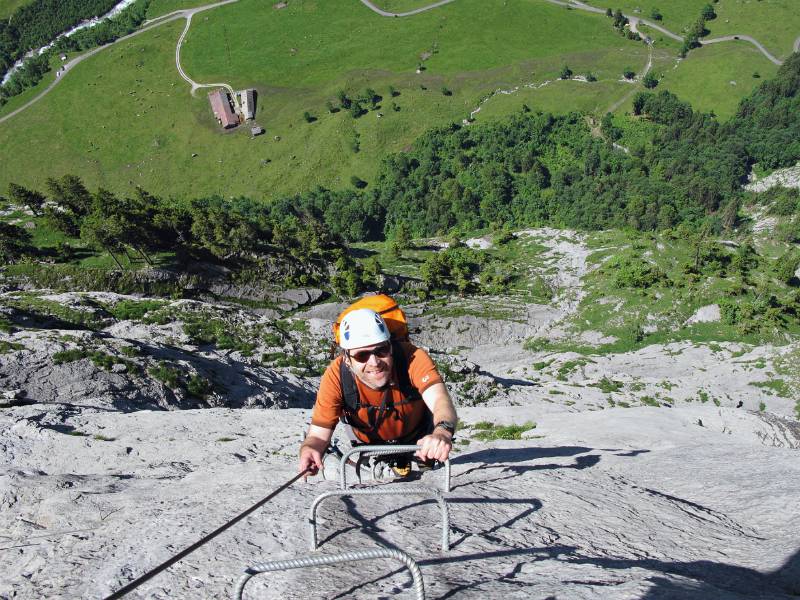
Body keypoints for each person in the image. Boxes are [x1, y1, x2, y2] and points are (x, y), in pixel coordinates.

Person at [299, 307, 457, 477]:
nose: (374, 362)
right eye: (362, 355)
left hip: (417, 438)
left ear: (391, 346)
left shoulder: (412, 357)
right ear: (347, 359)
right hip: (370, 446)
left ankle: (419, 459)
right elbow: (319, 435)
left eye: (381, 350)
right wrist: (310, 448)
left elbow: (440, 400)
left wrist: (441, 433)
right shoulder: (336, 376)